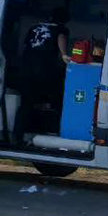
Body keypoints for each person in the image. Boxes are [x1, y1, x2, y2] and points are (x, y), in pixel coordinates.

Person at [12, 7, 71, 142]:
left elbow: (26, 45)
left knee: (26, 104)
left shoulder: (35, 26)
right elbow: (61, 39)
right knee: (56, 99)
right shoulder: (61, 29)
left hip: (26, 70)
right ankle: (52, 131)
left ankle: (18, 136)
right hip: (43, 71)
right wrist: (64, 55)